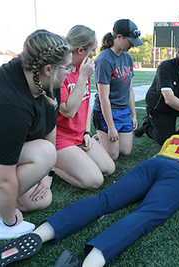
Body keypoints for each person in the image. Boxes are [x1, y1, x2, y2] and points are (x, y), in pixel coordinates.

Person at [0, 132, 179, 267]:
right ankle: (92, 262)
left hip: (152, 164)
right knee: (144, 215)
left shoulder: (176, 138)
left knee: (105, 199)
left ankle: (38, 235)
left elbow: (158, 155)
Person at [0, 30, 72, 239]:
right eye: (68, 68)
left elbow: (49, 128)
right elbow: (1, 180)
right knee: (43, 154)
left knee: (38, 199)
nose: (70, 72)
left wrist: (46, 174)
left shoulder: (44, 81)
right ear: (49, 69)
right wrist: (9, 219)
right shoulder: (9, 103)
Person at [54, 25, 115, 189]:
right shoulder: (60, 71)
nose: (94, 54)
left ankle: (73, 158)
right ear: (80, 50)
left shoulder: (83, 67)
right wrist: (82, 77)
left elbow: (85, 102)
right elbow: (68, 111)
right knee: (95, 181)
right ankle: (51, 164)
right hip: (59, 137)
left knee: (109, 168)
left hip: (78, 134)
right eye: (92, 50)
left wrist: (87, 132)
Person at [92, 19, 143, 160]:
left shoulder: (127, 58)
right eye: (130, 41)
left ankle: (103, 139)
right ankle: (96, 140)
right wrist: (111, 126)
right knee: (113, 156)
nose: (133, 45)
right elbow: (103, 98)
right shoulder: (104, 60)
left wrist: (133, 115)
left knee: (125, 152)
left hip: (123, 111)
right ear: (119, 37)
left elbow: (130, 90)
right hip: (107, 112)